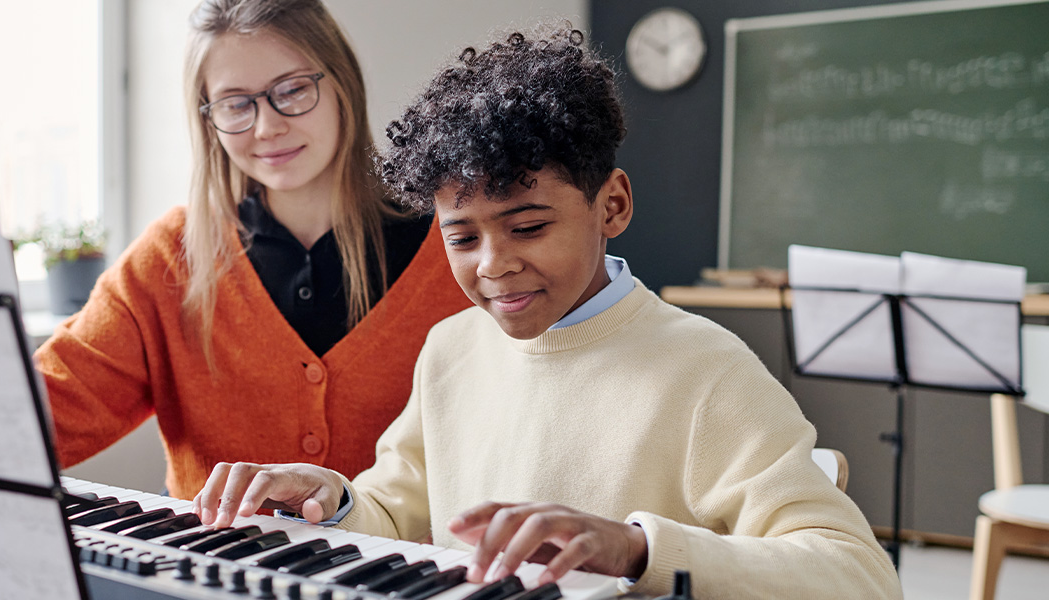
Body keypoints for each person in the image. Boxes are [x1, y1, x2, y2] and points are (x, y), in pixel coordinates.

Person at [192, 26, 903, 599]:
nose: (493, 264)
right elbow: (398, 511)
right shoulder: (452, 347)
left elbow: (860, 576)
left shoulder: (706, 369)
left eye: (528, 226)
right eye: (462, 238)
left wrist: (637, 549)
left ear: (612, 206)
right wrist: (331, 499)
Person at [34, 0, 470, 500]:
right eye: (236, 104)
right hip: (207, 575)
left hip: (413, 576)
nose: (267, 127)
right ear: (208, 118)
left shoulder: (458, 243)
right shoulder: (168, 259)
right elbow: (45, 411)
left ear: (342, 82)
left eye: (292, 90)